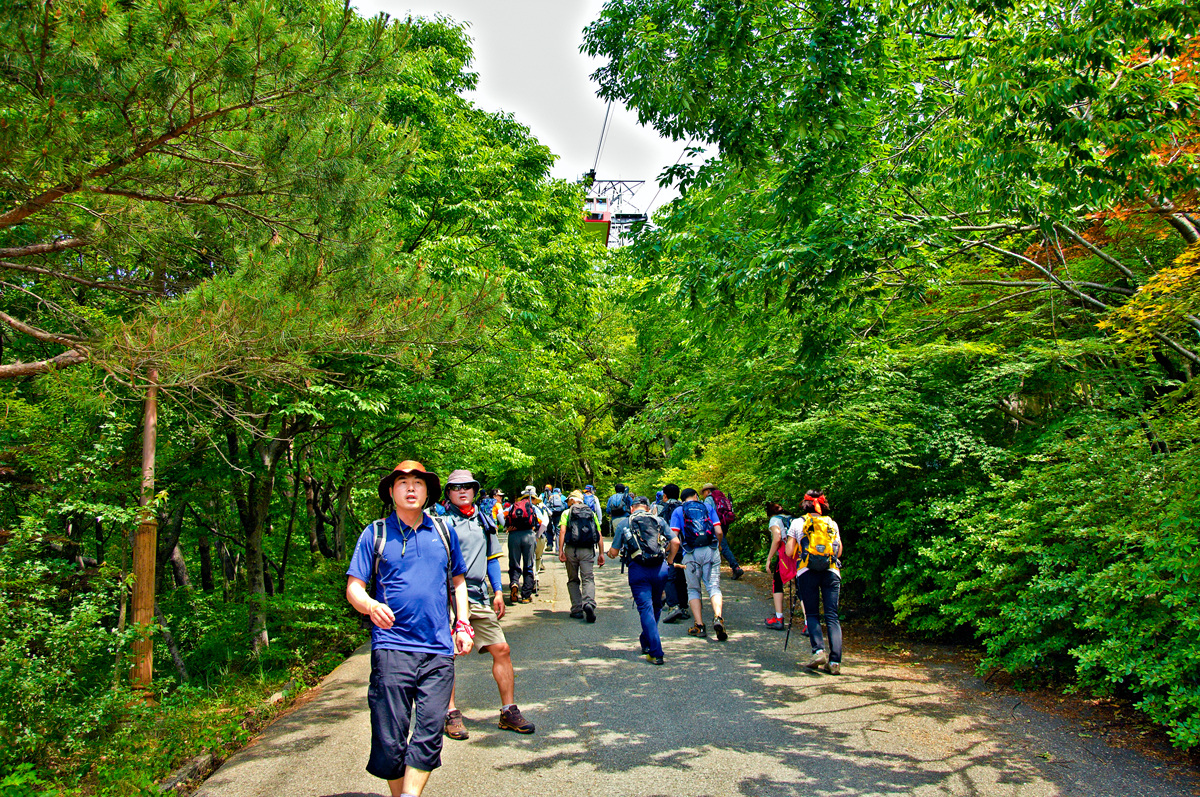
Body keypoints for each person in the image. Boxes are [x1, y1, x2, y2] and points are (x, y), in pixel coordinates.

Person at [345, 460, 473, 797]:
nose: (411, 488)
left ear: (428, 491)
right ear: (391, 491)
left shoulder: (443, 531)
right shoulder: (375, 533)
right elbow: (354, 588)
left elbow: (458, 581)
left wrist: (462, 624)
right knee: (390, 738)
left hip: (438, 650)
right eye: (402, 483)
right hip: (391, 648)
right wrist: (370, 605)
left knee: (429, 732)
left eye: (418, 482)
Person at [439, 470, 535, 740]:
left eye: (467, 487)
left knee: (501, 649)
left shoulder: (482, 520)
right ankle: (450, 713)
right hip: (448, 596)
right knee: (447, 655)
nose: (462, 491)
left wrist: (498, 592)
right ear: (448, 493)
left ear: (474, 490)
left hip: (478, 595)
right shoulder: (440, 523)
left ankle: (508, 711)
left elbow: (492, 558)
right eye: (456, 488)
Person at [606, 495, 679, 665]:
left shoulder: (625, 523)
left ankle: (656, 652)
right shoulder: (659, 520)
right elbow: (675, 542)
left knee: (646, 609)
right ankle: (646, 641)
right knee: (656, 605)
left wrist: (609, 554)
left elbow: (614, 552)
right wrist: (669, 561)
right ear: (648, 508)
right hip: (660, 569)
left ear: (632, 508)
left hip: (638, 570)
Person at [785, 490, 844, 674]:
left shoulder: (797, 523)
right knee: (832, 616)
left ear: (805, 504)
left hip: (806, 571)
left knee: (812, 614)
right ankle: (835, 662)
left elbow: (789, 552)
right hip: (831, 571)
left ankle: (818, 651)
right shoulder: (831, 523)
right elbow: (839, 551)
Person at [669, 488, 727, 640]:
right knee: (714, 586)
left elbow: (674, 537)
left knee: (693, 589)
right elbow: (719, 531)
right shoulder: (707, 507)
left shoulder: (678, 511)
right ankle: (718, 617)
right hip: (710, 550)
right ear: (696, 496)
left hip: (690, 553)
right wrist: (718, 546)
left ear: (682, 499)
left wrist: (670, 557)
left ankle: (699, 625)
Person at [558, 489, 604, 621]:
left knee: (573, 579)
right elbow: (599, 534)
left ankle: (577, 609)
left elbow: (562, 532)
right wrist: (601, 553)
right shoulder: (591, 513)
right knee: (588, 578)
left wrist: (560, 550)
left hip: (571, 550)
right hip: (587, 550)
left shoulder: (566, 513)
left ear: (572, 500)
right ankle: (588, 603)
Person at [656, 484, 688, 624]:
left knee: (669, 577)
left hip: (670, 546)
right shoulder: (684, 507)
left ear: (665, 496)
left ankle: (673, 606)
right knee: (682, 577)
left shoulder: (661, 507)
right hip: (685, 547)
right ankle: (684, 606)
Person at [701, 483, 744, 580]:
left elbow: (707, 513)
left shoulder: (709, 499)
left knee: (722, 546)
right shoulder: (722, 498)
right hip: (725, 523)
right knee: (718, 545)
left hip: (716, 525)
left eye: (703, 492)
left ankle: (736, 567)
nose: (703, 495)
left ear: (707, 491)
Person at [763, 502, 795, 630]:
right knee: (801, 587)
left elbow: (777, 538)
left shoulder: (774, 520)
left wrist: (769, 558)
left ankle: (779, 618)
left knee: (777, 583)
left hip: (784, 556)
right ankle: (808, 623)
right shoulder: (793, 518)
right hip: (797, 555)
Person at [506, 486, 539, 604]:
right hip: (529, 535)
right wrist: (537, 533)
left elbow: (501, 516)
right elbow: (542, 522)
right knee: (528, 565)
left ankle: (514, 583)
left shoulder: (513, 506)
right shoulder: (534, 507)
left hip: (514, 536)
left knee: (514, 563)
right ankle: (526, 595)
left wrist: (507, 528)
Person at [532, 493, 551, 574]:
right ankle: (535, 574)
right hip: (538, 535)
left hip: (523, 535)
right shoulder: (541, 508)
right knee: (538, 556)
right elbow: (545, 523)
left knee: (529, 557)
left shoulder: (517, 506)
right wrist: (538, 535)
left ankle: (529, 574)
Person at [545, 486, 567, 552]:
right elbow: (566, 506)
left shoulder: (549, 496)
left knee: (549, 530)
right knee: (558, 531)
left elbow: (545, 505)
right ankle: (558, 548)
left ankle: (550, 545)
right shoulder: (562, 497)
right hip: (559, 515)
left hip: (550, 515)